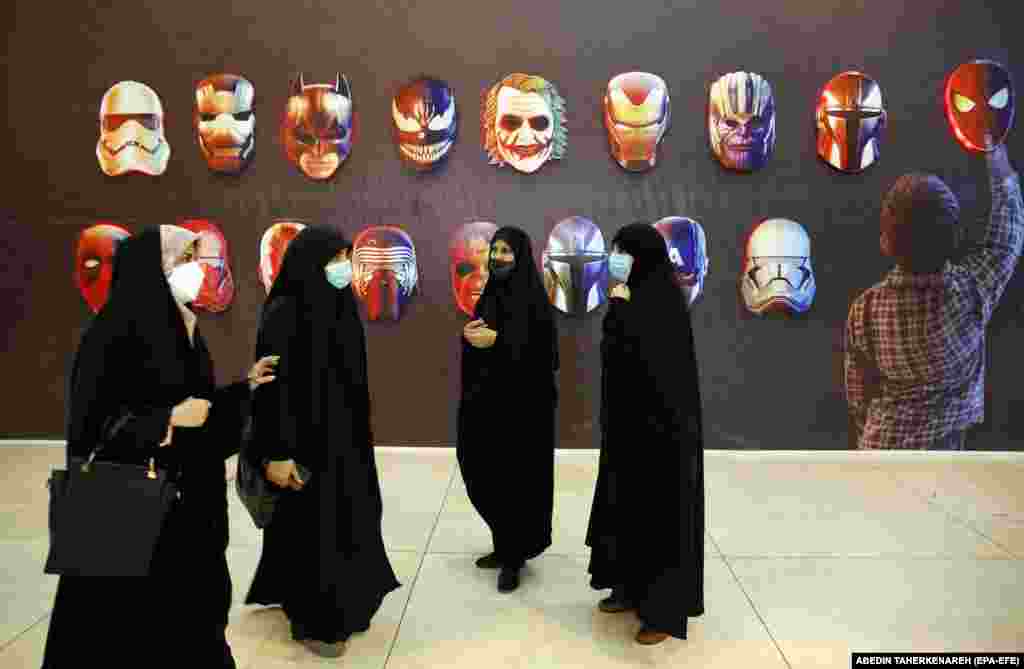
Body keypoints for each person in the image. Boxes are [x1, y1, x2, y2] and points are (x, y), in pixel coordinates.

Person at [43, 225, 277, 668]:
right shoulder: (109, 336)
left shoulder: (183, 326)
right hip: (132, 515)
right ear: (149, 268)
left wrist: (243, 390)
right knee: (128, 632)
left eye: (193, 258)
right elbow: (92, 430)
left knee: (192, 621)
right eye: (180, 260)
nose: (192, 270)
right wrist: (164, 420)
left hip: (187, 515)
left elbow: (199, 410)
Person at [245, 224, 401, 658]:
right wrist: (274, 453)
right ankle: (317, 620)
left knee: (351, 517)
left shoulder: (340, 304)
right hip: (300, 442)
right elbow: (270, 388)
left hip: (344, 441)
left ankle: (341, 601)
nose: (342, 267)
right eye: (335, 258)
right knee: (312, 530)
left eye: (346, 257)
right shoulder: (284, 311)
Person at [845, 142, 1022, 449]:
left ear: (886, 241)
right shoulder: (972, 292)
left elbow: (858, 395)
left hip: (878, 451)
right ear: (954, 237)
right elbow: (1007, 237)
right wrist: (996, 156)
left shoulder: (865, 309)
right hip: (945, 454)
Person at [585, 222, 705, 646]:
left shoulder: (662, 305)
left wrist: (620, 312)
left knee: (657, 515)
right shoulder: (634, 299)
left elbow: (649, 365)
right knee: (624, 505)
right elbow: (616, 362)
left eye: (623, 250)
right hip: (628, 430)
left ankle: (660, 611)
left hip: (661, 437)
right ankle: (626, 586)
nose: (616, 258)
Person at [457, 226, 559, 593]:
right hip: (490, 406)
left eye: (506, 251)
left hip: (523, 412)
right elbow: (482, 340)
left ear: (521, 257)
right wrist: (470, 340)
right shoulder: (491, 295)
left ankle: (514, 557)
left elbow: (546, 356)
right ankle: (502, 546)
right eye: (494, 249)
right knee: (488, 474)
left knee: (517, 483)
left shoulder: (534, 301)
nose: (498, 256)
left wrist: (499, 341)